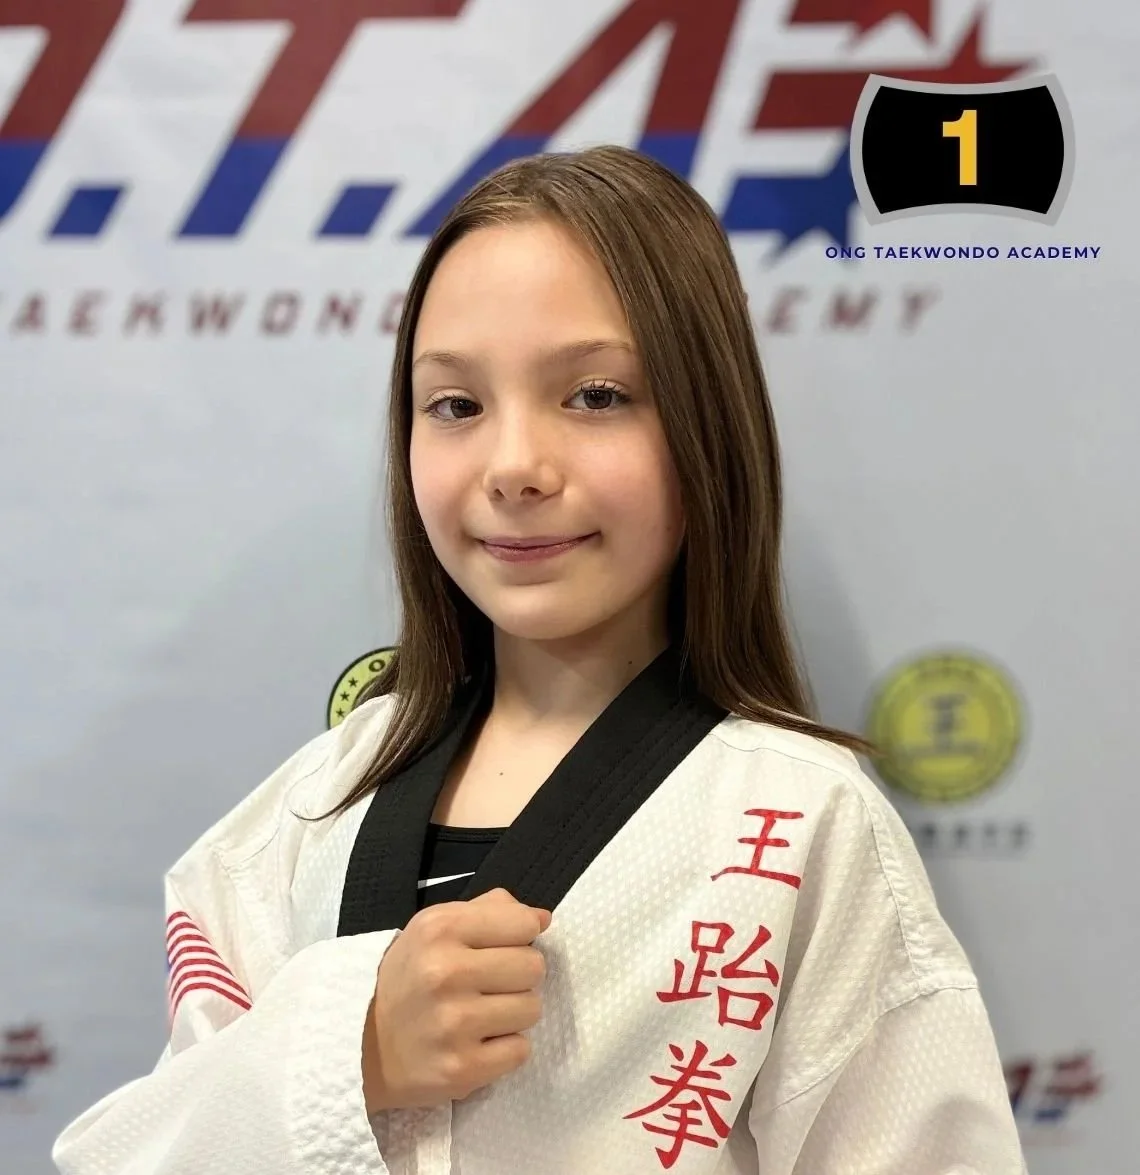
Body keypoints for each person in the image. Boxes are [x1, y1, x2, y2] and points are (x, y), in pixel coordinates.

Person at [52, 145, 1026, 1175]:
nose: (515, 465)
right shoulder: (302, 817)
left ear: (707, 423)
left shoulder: (800, 821)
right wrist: (349, 1054)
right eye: (456, 405)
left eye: (596, 395)